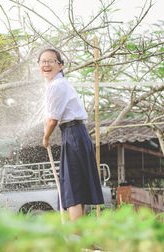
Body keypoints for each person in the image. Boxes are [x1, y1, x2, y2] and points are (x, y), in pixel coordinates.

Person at [39, 48, 104, 222]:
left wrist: (45, 138)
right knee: (78, 189)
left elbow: (53, 120)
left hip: (73, 135)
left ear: (60, 65)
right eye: (42, 61)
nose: (46, 64)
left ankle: (77, 239)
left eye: (50, 61)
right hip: (76, 134)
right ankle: (83, 238)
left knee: (74, 190)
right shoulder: (58, 84)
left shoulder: (57, 85)